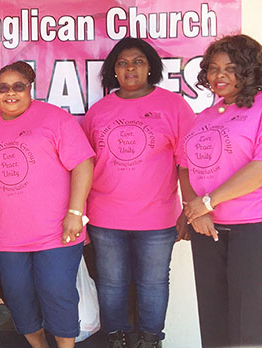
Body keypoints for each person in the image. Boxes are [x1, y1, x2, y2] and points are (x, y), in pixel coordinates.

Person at [81, 37, 196, 348]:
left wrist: (189, 208)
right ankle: (116, 339)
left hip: (157, 218)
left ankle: (149, 340)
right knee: (111, 284)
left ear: (151, 68)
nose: (130, 67)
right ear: (113, 71)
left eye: (138, 61)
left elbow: (187, 164)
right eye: (122, 62)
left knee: (153, 284)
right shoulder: (99, 111)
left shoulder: (173, 106)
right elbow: (83, 166)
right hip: (105, 216)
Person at [0, 61, 94, 348]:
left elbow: (83, 164)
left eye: (18, 87)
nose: (10, 93)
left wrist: (75, 213)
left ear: (31, 89)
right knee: (16, 295)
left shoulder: (55, 119)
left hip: (57, 232)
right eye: (2, 88)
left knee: (57, 292)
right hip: (9, 235)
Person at [181, 34, 262, 348]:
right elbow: (186, 166)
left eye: (231, 68)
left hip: (252, 228)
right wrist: (194, 209)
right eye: (213, 69)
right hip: (208, 228)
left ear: (250, 70)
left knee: (249, 326)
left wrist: (207, 201)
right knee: (213, 323)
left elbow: (259, 168)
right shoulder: (207, 115)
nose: (220, 76)